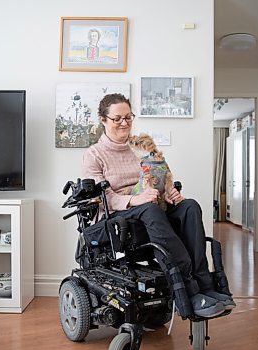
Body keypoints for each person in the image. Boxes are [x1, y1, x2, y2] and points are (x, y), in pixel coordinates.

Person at [82, 93, 235, 318]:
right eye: (117, 119)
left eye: (128, 117)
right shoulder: (94, 154)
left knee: (190, 207)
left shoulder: (141, 147)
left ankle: (206, 285)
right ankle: (189, 290)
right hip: (119, 217)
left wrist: (170, 192)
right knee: (150, 209)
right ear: (103, 120)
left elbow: (163, 175)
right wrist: (135, 199)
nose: (124, 123)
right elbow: (100, 197)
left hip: (152, 207)